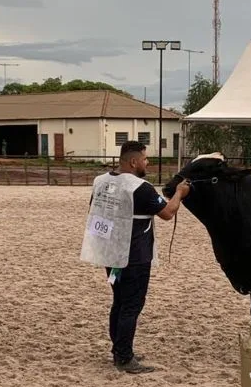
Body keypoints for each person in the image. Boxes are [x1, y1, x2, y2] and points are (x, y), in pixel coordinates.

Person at [80, 140, 190, 373]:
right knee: (131, 306)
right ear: (133, 161)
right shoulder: (140, 187)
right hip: (135, 255)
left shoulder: (100, 181)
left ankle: (119, 348)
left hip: (110, 252)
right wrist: (180, 193)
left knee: (119, 302)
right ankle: (124, 357)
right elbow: (168, 213)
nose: (147, 162)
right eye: (145, 158)